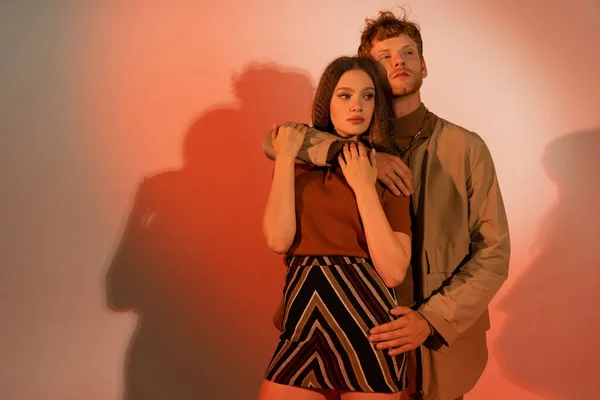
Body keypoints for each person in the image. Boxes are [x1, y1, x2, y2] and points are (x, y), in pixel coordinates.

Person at [262, 10, 511, 400]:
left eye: (409, 53)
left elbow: (494, 253)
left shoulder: (467, 148)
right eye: (385, 56)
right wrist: (356, 153)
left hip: (436, 335)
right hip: (342, 322)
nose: (399, 62)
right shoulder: (342, 140)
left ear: (424, 66)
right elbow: (273, 142)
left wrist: (431, 320)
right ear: (370, 72)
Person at [258, 55, 414, 400]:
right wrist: (285, 157)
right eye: (344, 95)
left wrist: (363, 186)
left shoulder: (388, 171)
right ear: (326, 101)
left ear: (378, 105)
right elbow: (278, 239)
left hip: (370, 324)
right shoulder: (298, 166)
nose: (356, 105)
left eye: (368, 96)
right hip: (303, 318)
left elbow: (392, 273)